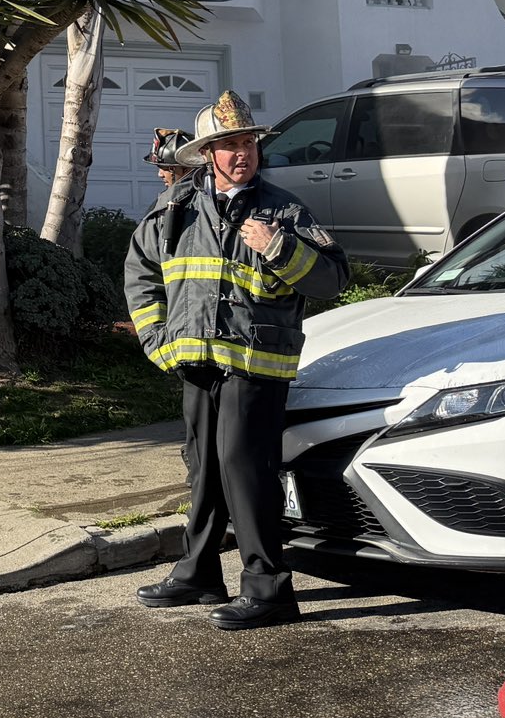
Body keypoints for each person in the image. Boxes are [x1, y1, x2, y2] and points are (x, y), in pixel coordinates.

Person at [125, 91, 347, 630]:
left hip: (255, 367)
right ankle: (199, 572)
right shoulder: (175, 210)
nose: (241, 153)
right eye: (228, 144)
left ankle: (268, 588)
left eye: (247, 142)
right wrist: (158, 339)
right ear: (207, 154)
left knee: (245, 473)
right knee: (203, 471)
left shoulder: (285, 211)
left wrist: (279, 248)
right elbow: (141, 274)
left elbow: (333, 281)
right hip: (195, 363)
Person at [146, 127, 193, 194]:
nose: (160, 175)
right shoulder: (167, 197)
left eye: (165, 168)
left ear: (187, 169)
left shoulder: (202, 199)